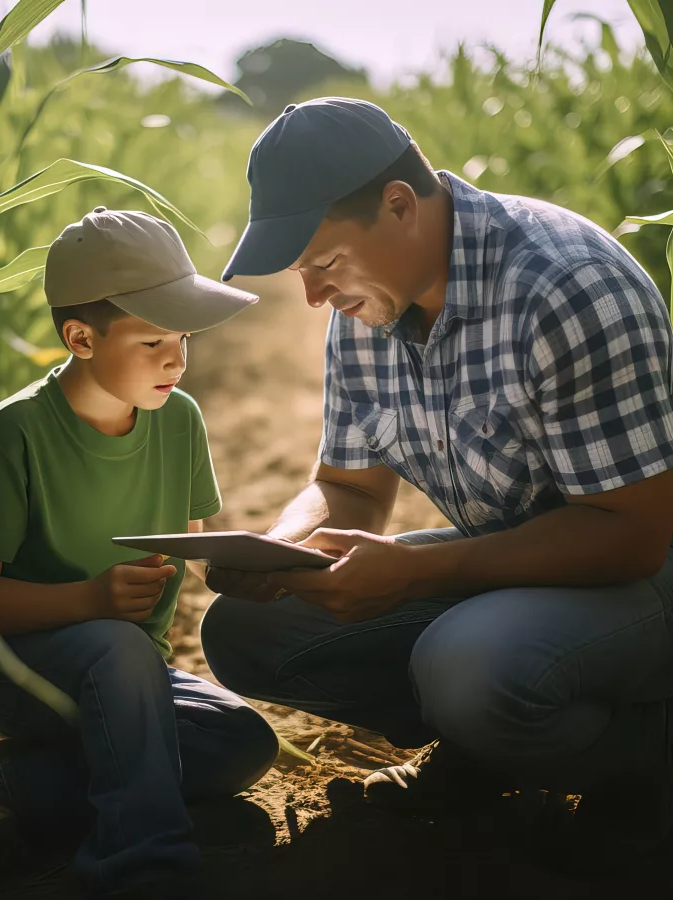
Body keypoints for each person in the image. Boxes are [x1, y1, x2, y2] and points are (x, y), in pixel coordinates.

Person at [200, 97, 673, 857]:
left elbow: (635, 534)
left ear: (399, 206)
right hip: (522, 564)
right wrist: (278, 548)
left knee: (468, 667)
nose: (314, 296)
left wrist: (418, 572)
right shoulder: (367, 310)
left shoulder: (562, 285)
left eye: (323, 264)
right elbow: (350, 485)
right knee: (249, 632)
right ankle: (488, 750)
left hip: (645, 568)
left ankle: (643, 754)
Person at [0, 207, 279, 898]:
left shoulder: (178, 419)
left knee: (241, 743)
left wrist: (245, 566)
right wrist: (87, 601)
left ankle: (11, 788)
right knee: (116, 648)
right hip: (21, 666)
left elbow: (186, 543)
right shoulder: (13, 435)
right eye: (152, 342)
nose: (177, 359)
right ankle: (144, 864)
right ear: (81, 337)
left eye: (183, 338)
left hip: (129, 674)